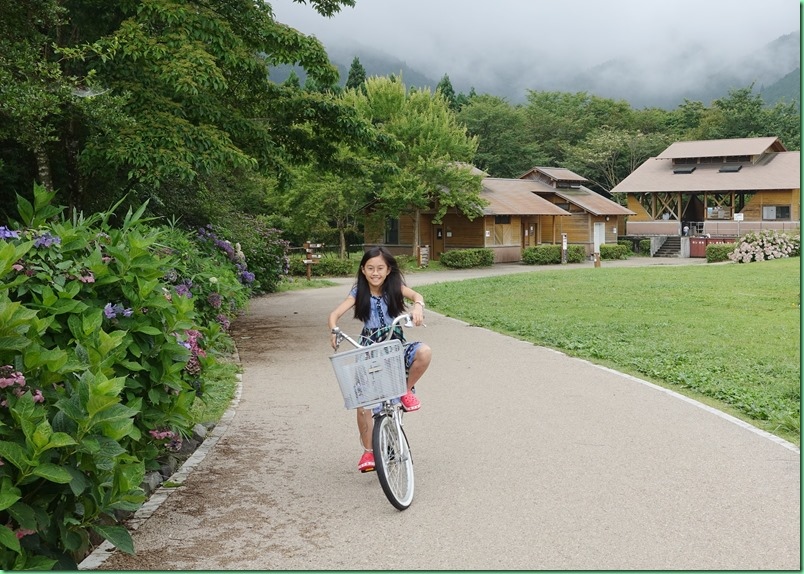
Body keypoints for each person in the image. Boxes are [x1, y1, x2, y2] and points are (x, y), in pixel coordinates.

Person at [328, 246, 431, 473]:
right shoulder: (358, 292)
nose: (375, 273)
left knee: (424, 352)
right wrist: (334, 330)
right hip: (369, 350)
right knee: (362, 401)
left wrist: (418, 307)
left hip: (395, 346)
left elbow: (417, 296)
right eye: (370, 268)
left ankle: (405, 390)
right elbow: (334, 315)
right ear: (363, 270)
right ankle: (368, 450)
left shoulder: (394, 287)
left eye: (380, 268)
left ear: (388, 270)